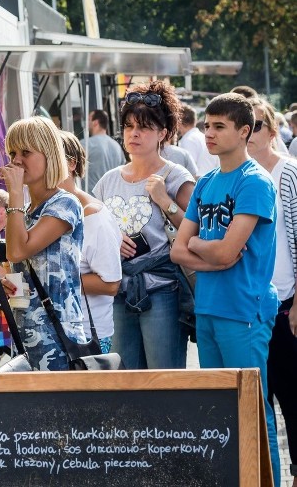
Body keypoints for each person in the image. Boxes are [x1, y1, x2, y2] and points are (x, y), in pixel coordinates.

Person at [170, 92, 281, 486]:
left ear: (244, 131)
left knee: (252, 407)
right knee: (219, 407)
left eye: (219, 126)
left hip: (244, 308)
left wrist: (204, 248)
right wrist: (208, 251)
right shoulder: (206, 183)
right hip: (209, 307)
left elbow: (228, 250)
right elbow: (178, 250)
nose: (209, 133)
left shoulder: (255, 182)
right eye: (206, 126)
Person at [93, 80, 195, 370]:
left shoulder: (176, 176)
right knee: (124, 380)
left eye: (144, 127)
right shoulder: (107, 181)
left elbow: (199, 228)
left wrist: (165, 201)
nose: (134, 134)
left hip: (163, 290)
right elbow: (90, 232)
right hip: (118, 290)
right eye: (129, 126)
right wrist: (112, 240)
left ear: (163, 133)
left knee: (163, 381)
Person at [1, 117, 87, 370]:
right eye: (12, 153)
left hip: (58, 337)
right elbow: (15, 258)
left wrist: (14, 195)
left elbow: (17, 250)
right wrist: (12, 282)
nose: (16, 160)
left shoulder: (65, 203)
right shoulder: (25, 210)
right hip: (27, 332)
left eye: (26, 152)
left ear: (49, 154)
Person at [245, 97, 297, 484]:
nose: (250, 133)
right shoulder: (231, 174)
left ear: (272, 130)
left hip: (285, 302)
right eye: (244, 125)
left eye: (257, 126)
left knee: (292, 398)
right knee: (255, 400)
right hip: (247, 305)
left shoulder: (287, 173)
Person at [58, 131, 122, 354]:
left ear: (71, 164)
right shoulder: (38, 211)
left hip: (86, 336)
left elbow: (110, 283)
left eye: (50, 157)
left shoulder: (93, 215)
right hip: (50, 330)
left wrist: (53, 281)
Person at [84, 109, 125, 193]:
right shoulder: (116, 146)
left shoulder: (86, 144)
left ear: (95, 122)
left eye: (88, 120)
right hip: (113, 197)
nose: (86, 123)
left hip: (92, 199)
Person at [178, 105, 219, 176]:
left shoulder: (188, 140)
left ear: (179, 121)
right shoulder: (201, 136)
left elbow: (188, 170)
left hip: (198, 182)